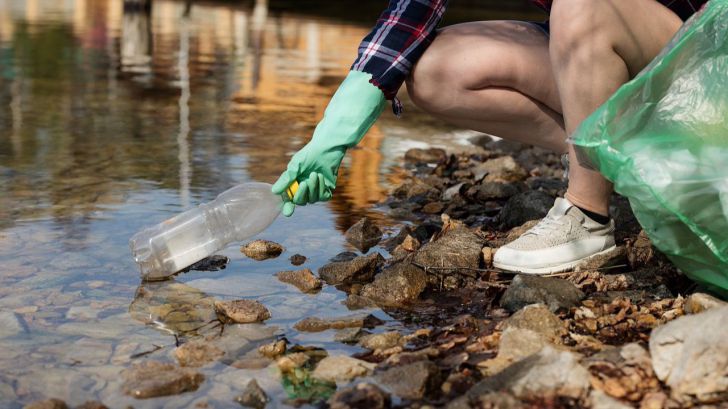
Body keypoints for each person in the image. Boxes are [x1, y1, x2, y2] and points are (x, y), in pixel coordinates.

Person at [271, 0, 708, 275]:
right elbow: (412, 12)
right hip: (627, 61)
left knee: (579, 5)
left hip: (703, 71)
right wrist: (335, 131)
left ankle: (588, 215)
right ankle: (616, 162)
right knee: (435, 70)